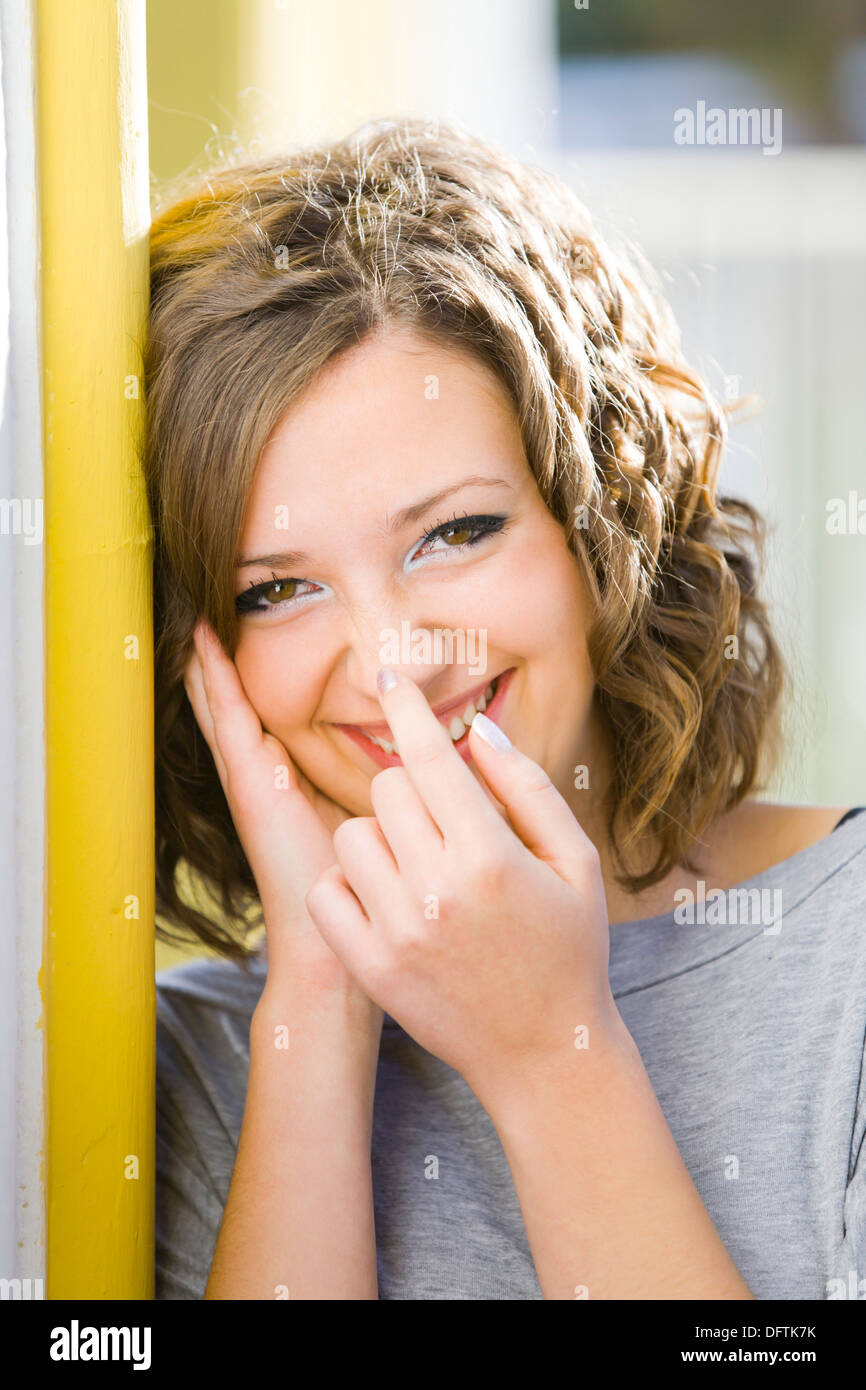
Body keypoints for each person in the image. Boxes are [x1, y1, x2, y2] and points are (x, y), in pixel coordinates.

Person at [147, 116, 866, 1300]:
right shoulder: (191, 1063)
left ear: (601, 520)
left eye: (455, 533)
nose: (393, 663)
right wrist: (320, 1008)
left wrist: (549, 1055)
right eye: (275, 589)